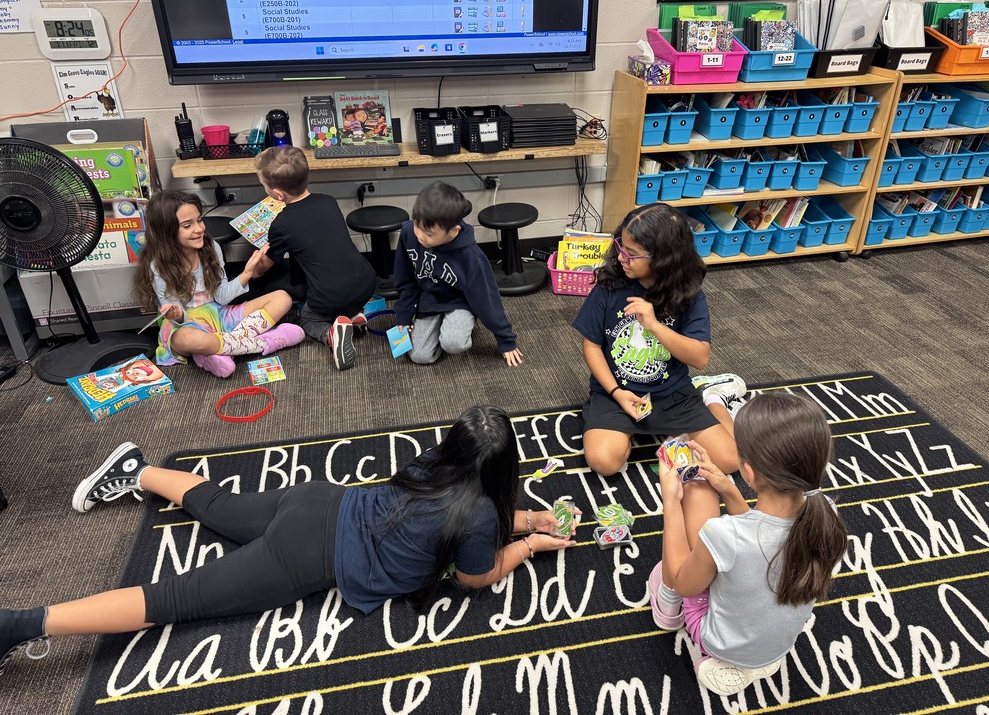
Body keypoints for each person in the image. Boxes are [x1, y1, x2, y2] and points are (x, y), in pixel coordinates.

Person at [0, 406, 577, 678]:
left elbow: (458, 515)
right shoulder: (478, 514)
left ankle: (139, 470)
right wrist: (525, 548)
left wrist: (525, 520)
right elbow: (476, 575)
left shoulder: (434, 462)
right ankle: (20, 624)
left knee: (220, 506)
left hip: (319, 498)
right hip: (311, 555)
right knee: (174, 601)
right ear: (504, 470)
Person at [648, 392, 848, 696]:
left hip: (721, 642)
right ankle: (759, 663)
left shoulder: (723, 534)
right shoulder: (827, 517)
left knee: (696, 502)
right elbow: (758, 543)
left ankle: (667, 610)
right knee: (715, 533)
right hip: (777, 646)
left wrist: (670, 503)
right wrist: (729, 492)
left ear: (749, 473)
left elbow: (683, 581)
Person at [571, 202, 745, 476]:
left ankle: (713, 397)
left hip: (672, 395)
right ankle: (628, 432)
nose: (620, 258)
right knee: (604, 462)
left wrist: (654, 326)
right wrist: (617, 393)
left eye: (632, 254)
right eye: (621, 247)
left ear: (664, 258)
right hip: (615, 392)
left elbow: (700, 358)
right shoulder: (610, 286)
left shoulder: (689, 295)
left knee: (731, 461)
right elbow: (591, 344)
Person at [133, 191, 304, 378]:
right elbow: (176, 318)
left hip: (218, 314)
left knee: (282, 298)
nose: (198, 229)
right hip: (186, 324)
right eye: (187, 225)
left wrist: (247, 273)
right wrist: (176, 314)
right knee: (189, 339)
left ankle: (218, 349)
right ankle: (264, 342)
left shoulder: (211, 247)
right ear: (166, 232)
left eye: (199, 220)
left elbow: (221, 296)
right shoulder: (158, 265)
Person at [253, 145, 378, 371]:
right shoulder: (328, 201)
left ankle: (331, 334)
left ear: (278, 195)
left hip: (330, 295)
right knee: (335, 283)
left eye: (263, 185)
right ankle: (353, 315)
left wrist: (255, 264)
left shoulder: (281, 224)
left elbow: (265, 267)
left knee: (308, 319)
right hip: (366, 282)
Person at [393, 181, 523, 367]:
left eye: (429, 234)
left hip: (460, 300)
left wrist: (506, 340)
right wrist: (404, 313)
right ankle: (442, 323)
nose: (420, 236)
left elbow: (487, 298)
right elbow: (404, 278)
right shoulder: (409, 233)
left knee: (453, 343)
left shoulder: (471, 256)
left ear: (453, 231)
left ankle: (464, 322)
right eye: (416, 225)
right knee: (420, 356)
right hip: (428, 298)